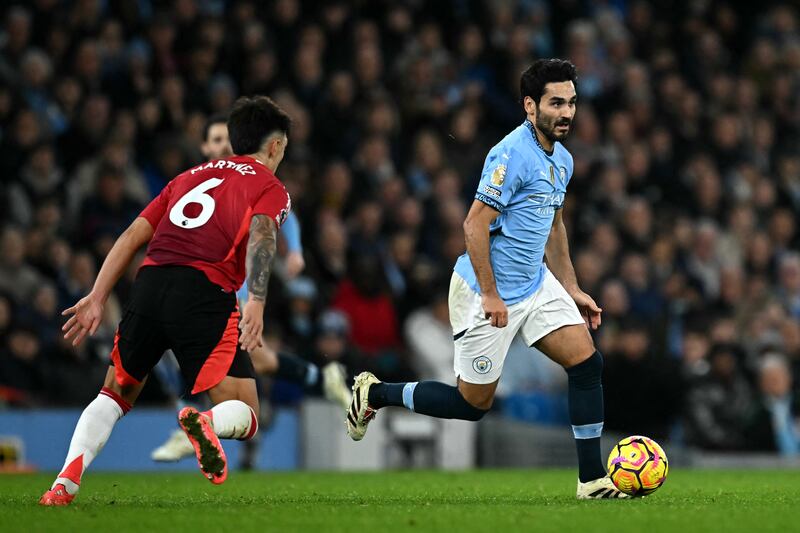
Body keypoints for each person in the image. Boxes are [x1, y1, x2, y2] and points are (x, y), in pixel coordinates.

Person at [346, 59, 628, 499]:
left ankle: (591, 480)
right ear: (530, 107)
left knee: (587, 364)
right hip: (484, 291)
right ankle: (376, 393)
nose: (568, 113)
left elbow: (553, 226)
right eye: (557, 103)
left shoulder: (564, 160)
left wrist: (572, 288)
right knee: (471, 404)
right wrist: (493, 295)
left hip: (534, 282)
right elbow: (474, 225)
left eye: (572, 102)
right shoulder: (510, 154)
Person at [40, 96, 292, 505]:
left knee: (114, 394)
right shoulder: (269, 186)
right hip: (204, 292)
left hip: (150, 284)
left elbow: (131, 235)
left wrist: (97, 296)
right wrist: (257, 302)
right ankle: (205, 422)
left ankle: (63, 485)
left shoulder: (187, 177)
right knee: (247, 412)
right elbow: (263, 233)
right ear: (276, 146)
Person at [150, 113, 351, 463]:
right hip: (201, 283)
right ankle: (321, 379)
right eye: (213, 141)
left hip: (235, 287)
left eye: (224, 141)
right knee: (261, 360)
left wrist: (296, 251)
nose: (220, 147)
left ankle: (198, 425)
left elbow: (283, 213)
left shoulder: (248, 181)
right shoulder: (192, 183)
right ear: (202, 147)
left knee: (232, 355)